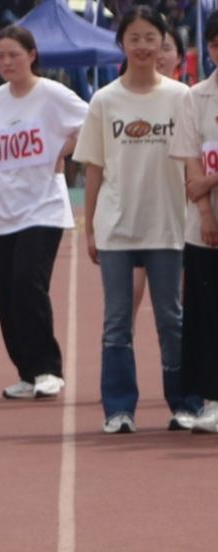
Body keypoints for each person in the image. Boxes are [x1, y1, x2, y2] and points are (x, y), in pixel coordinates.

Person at [73, 6, 202, 434]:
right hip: (117, 227)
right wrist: (90, 226)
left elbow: (194, 161)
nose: (144, 47)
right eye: (135, 38)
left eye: (153, 39)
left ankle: (185, 403)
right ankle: (119, 408)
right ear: (122, 44)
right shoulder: (105, 100)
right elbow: (94, 168)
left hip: (168, 225)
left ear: (165, 44)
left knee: (171, 318)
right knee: (116, 321)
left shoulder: (181, 97)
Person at [0, 25, 88, 400]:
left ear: (32, 55)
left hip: (44, 207)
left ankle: (48, 368)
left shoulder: (52, 94)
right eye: (0, 56)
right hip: (5, 209)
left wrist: (61, 152)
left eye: (13, 54)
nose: (6, 62)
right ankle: (27, 372)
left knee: (27, 283)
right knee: (6, 293)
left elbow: (90, 121)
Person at [169, 10, 218, 434]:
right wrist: (205, 211)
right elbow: (190, 156)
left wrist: (210, 180)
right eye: (216, 44)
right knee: (206, 314)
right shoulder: (196, 96)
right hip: (205, 228)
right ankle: (212, 400)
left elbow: (204, 175)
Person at [132, 26, 185, 329]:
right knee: (128, 299)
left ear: (179, 56)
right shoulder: (120, 97)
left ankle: (185, 359)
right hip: (134, 216)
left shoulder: (188, 98)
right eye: (156, 44)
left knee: (177, 306)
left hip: (179, 216)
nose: (159, 54)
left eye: (167, 47)